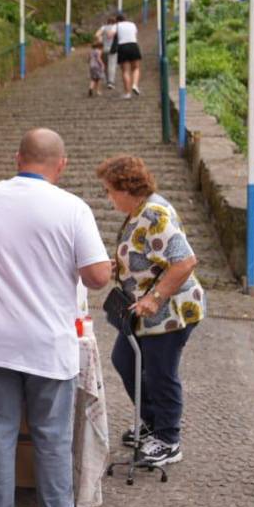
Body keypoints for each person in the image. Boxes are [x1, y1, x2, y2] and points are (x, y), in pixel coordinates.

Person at [0, 128, 112, 507]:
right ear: (62, 165)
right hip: (47, 341)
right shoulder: (73, 208)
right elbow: (99, 276)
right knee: (52, 434)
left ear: (18, 158)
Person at [95, 155, 203, 466]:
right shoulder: (139, 211)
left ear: (126, 188)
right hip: (145, 313)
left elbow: (185, 261)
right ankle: (153, 423)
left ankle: (168, 440)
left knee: (160, 372)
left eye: (109, 190)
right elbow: (148, 252)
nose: (108, 197)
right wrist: (122, 264)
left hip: (170, 312)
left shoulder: (154, 213)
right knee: (124, 359)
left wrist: (155, 297)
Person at [114, 12, 142, 99]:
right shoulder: (132, 24)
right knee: (136, 68)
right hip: (133, 45)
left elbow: (109, 34)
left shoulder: (117, 25)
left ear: (117, 20)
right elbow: (135, 35)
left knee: (125, 71)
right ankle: (135, 85)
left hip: (122, 46)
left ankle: (127, 93)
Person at [99, 16, 119, 89]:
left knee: (105, 65)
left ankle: (107, 80)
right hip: (113, 49)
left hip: (103, 49)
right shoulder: (116, 28)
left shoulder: (103, 27)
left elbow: (97, 35)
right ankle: (111, 82)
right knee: (112, 65)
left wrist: (101, 41)